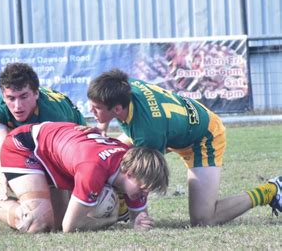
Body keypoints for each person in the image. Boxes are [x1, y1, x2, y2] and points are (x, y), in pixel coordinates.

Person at [85, 68, 282, 226]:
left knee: (203, 219)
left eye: (97, 109)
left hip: (203, 137)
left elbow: (143, 181)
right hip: (175, 126)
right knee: (108, 154)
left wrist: (133, 211)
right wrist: (101, 125)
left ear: (118, 109)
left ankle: (271, 190)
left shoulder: (148, 133)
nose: (91, 111)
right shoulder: (125, 87)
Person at [0, 121, 169, 233]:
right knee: (38, 224)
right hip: (24, 147)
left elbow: (138, 216)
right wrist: (110, 220)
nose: (145, 193)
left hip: (56, 156)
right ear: (128, 172)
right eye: (144, 188)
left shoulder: (131, 165)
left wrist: (138, 221)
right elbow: (70, 227)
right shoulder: (94, 169)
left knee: (53, 224)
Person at [0, 62, 88, 234]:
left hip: (63, 147)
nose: (17, 106)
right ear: (3, 95)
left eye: (24, 97)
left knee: (55, 225)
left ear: (36, 93)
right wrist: (3, 178)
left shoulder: (53, 115)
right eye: (11, 98)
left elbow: (63, 165)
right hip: (22, 136)